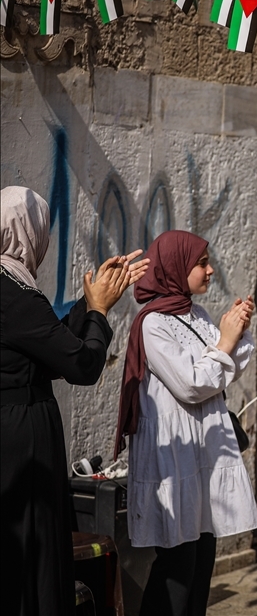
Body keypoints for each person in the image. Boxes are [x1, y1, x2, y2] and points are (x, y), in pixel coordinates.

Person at [1, 185, 148, 616]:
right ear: (31, 233)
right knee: (34, 548)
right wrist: (100, 313)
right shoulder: (15, 294)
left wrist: (89, 302)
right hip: (21, 440)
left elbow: (46, 348)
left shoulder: (13, 293)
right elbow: (80, 365)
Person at [115, 230, 257, 616]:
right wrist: (225, 343)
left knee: (201, 561)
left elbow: (226, 368)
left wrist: (236, 330)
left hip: (201, 456)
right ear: (177, 268)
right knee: (177, 568)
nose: (210, 270)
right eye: (202, 263)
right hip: (174, 459)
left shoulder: (196, 314)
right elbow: (192, 384)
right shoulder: (153, 325)